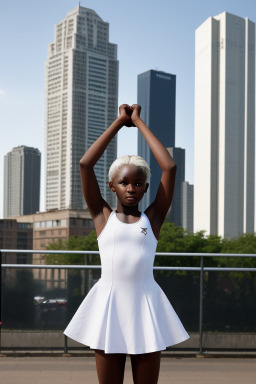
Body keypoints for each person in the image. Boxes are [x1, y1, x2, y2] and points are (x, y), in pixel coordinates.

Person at [64, 104, 189, 384]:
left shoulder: (153, 218)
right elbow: (85, 164)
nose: (131, 188)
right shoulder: (102, 216)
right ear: (112, 186)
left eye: (138, 183)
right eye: (124, 182)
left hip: (146, 308)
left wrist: (139, 122)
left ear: (146, 187)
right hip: (108, 308)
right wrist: (120, 122)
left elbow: (169, 166)